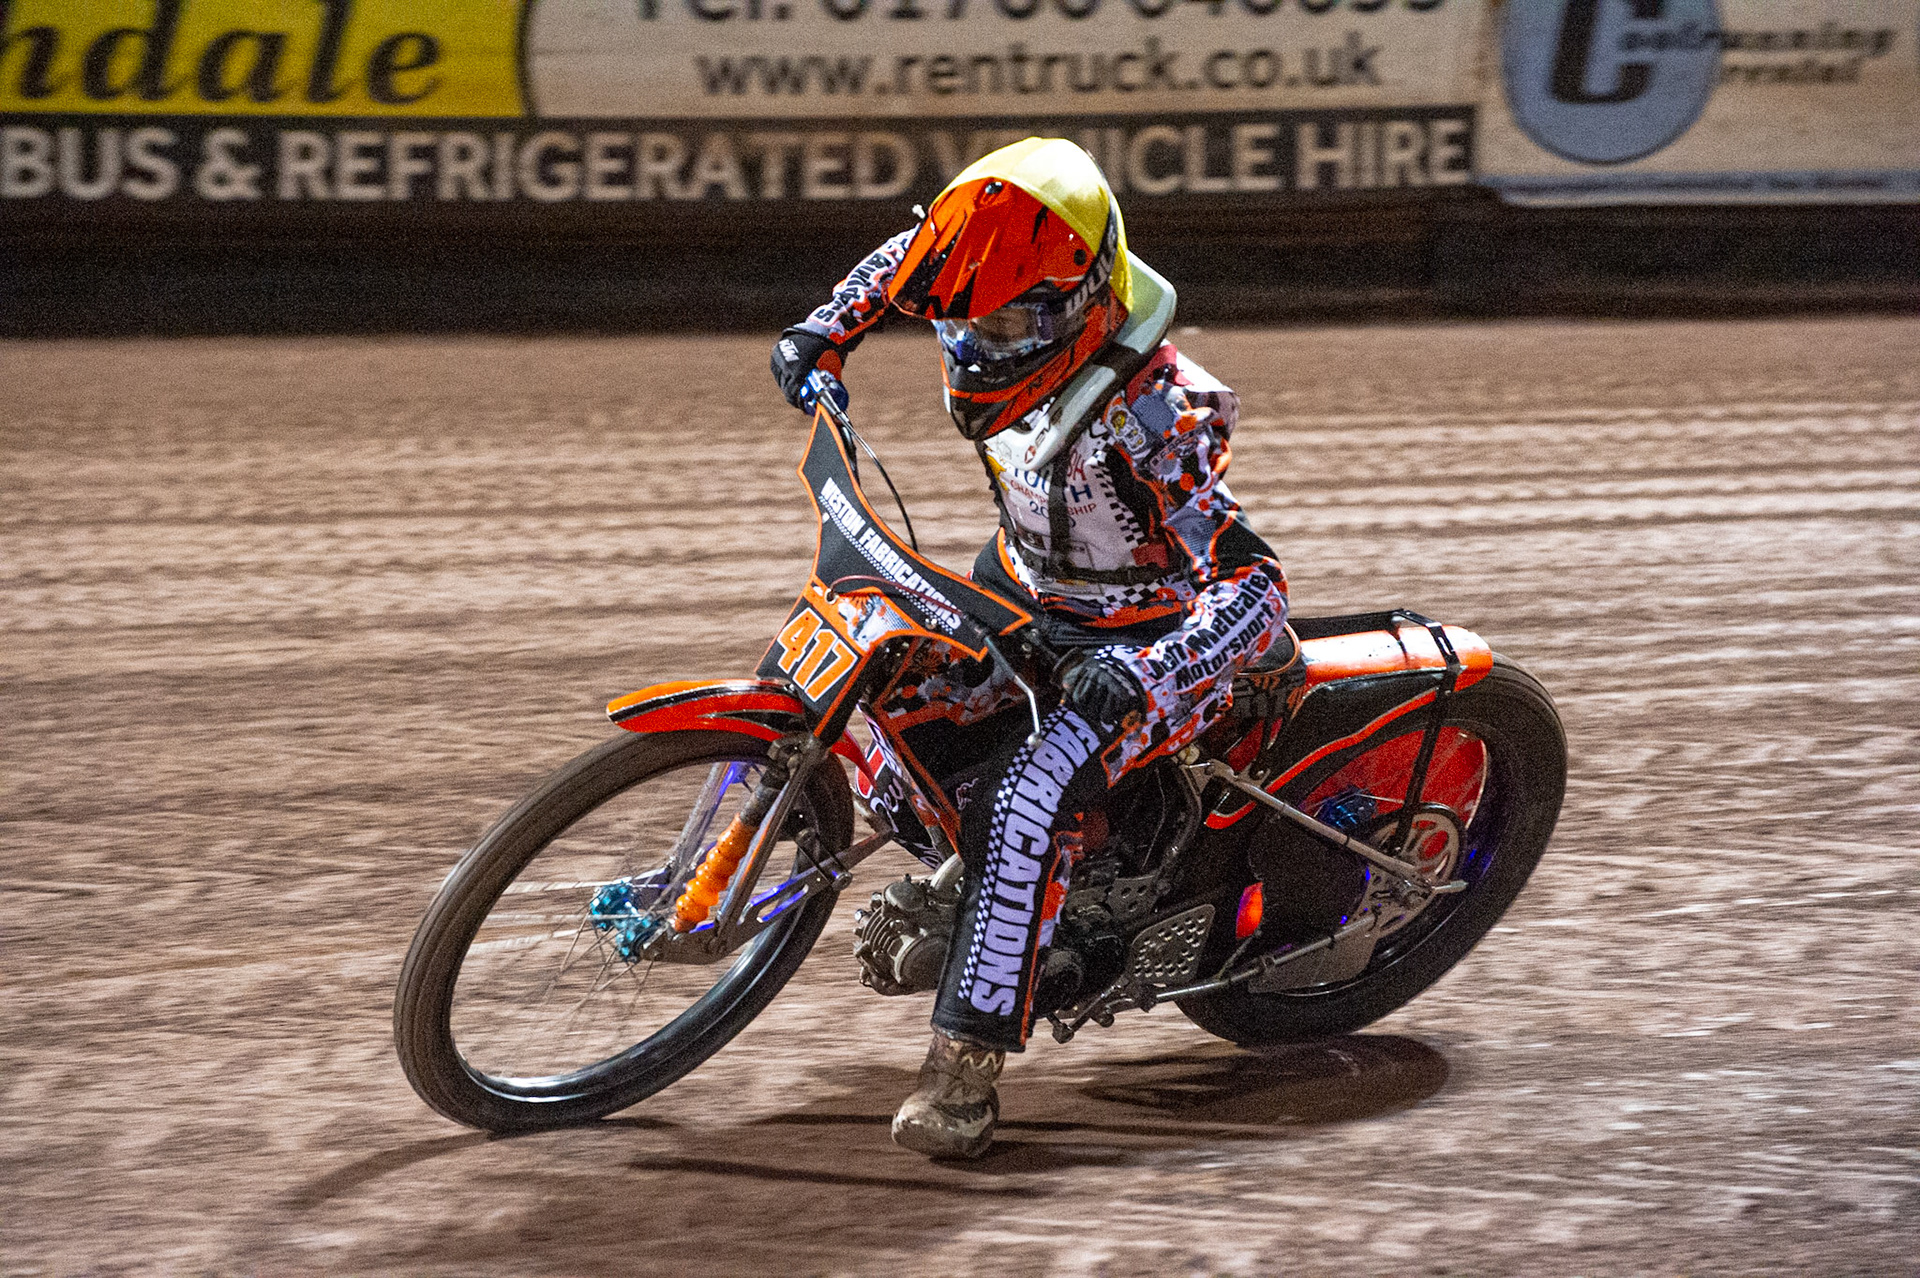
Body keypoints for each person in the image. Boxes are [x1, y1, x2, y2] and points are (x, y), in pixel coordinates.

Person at [769, 137, 1289, 1159]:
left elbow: (1255, 588)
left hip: (1148, 641)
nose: (977, 340)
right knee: (888, 678)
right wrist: (824, 333)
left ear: (1083, 299)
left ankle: (965, 1073)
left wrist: (1148, 672)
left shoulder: (1156, 413)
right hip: (1028, 580)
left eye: (1009, 322)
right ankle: (949, 865)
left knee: (1024, 798)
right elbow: (907, 260)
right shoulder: (1000, 280)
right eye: (965, 318)